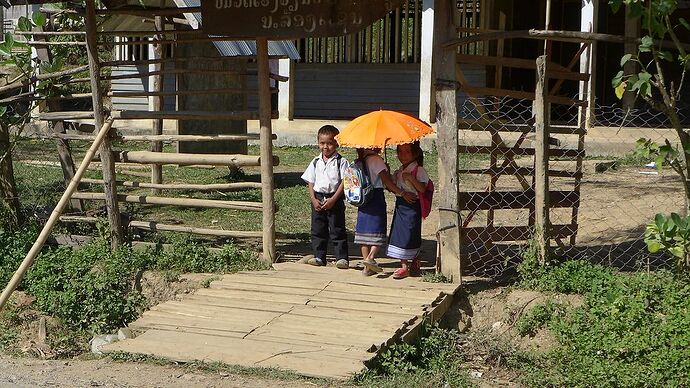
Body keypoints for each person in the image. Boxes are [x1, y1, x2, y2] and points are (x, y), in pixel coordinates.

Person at [355, 148, 416, 276]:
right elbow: (386, 182)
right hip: (375, 197)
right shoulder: (376, 160)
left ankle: (366, 266)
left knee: (364, 233)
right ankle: (370, 258)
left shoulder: (359, 161)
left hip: (363, 198)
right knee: (378, 230)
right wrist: (401, 192)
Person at [301, 125, 350, 269]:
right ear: (318, 143)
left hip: (334, 198)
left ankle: (341, 258)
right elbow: (311, 181)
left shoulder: (341, 161)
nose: (325, 147)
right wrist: (313, 199)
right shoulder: (315, 161)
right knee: (318, 229)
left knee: (337, 229)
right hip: (318, 198)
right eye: (322, 143)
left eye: (329, 143)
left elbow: (344, 182)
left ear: (336, 143)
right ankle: (319, 256)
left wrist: (334, 199)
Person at [386, 141, 429, 279]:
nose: (402, 155)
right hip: (401, 206)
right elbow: (391, 188)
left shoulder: (418, 170)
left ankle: (415, 258)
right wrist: (387, 174)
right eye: (400, 152)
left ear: (415, 153)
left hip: (412, 207)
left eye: (407, 152)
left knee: (412, 233)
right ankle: (404, 265)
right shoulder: (399, 171)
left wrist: (411, 178)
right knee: (399, 235)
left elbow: (422, 188)